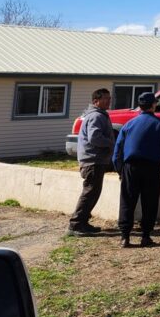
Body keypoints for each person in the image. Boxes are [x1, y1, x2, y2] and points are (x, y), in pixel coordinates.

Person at [112, 92, 160, 248]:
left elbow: (118, 150)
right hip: (151, 167)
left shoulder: (128, 124)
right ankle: (146, 236)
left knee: (127, 201)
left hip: (130, 167)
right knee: (150, 201)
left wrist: (120, 170)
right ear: (153, 105)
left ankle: (125, 236)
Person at [68, 88, 114, 236]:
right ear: (96, 101)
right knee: (89, 193)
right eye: (105, 98)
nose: (108, 101)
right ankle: (76, 224)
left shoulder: (98, 115)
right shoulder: (96, 116)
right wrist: (111, 143)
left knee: (93, 193)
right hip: (93, 160)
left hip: (94, 160)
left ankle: (83, 222)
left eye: (109, 98)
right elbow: (94, 138)